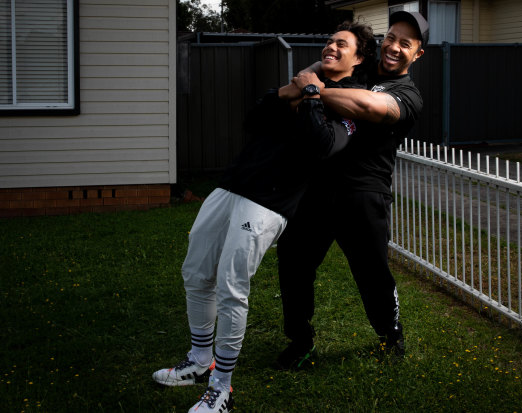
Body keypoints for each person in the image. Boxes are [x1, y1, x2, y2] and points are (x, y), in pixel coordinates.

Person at [151, 22, 377, 413]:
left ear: (357, 58)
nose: (331, 46)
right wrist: (293, 90)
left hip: (269, 203)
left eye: (342, 44)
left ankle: (222, 388)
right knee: (196, 271)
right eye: (329, 40)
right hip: (232, 185)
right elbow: (254, 120)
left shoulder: (354, 100)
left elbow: (323, 144)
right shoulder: (302, 80)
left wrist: (307, 94)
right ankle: (200, 360)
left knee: (230, 285)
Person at [276, 11, 429, 369]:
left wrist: (314, 90)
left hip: (364, 193)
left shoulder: (408, 94)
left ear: (417, 54)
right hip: (319, 185)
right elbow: (307, 75)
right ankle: (300, 341)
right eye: (391, 37)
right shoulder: (359, 66)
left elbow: (366, 106)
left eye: (405, 44)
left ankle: (390, 334)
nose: (393, 47)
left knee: (372, 272)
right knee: (293, 261)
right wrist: (308, 83)